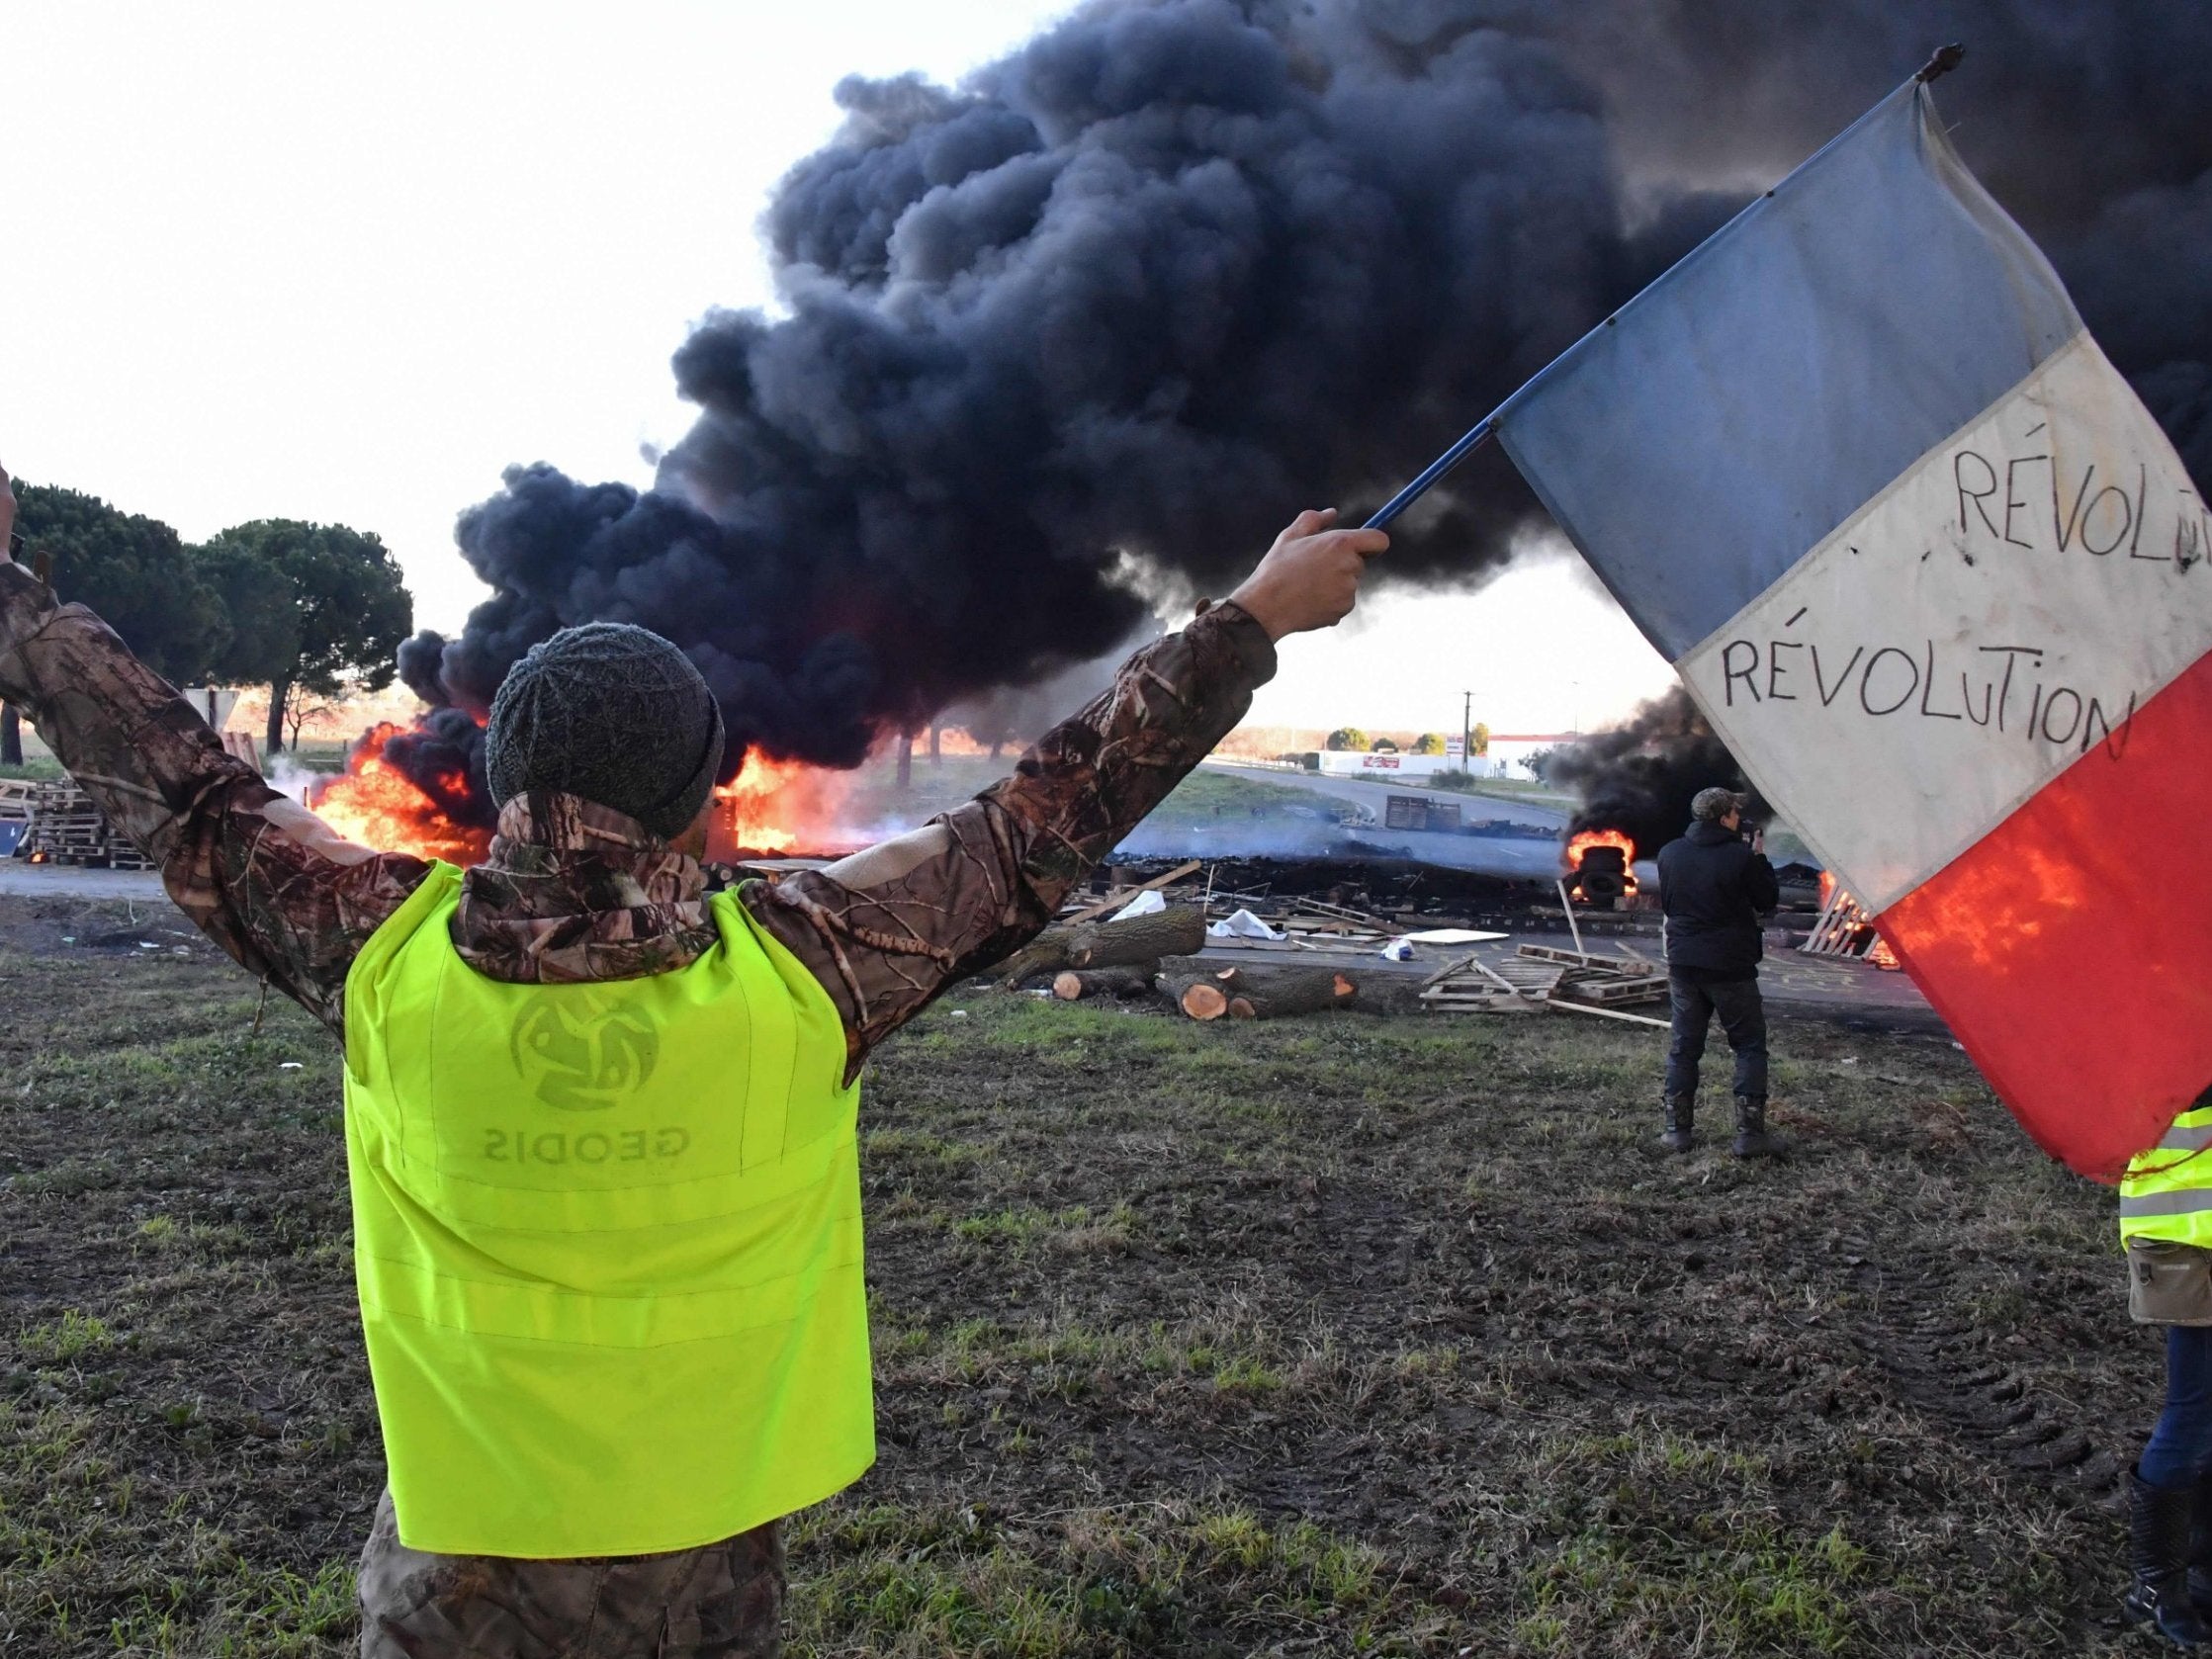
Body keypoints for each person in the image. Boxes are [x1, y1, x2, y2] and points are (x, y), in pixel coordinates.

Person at [0, 459, 1386, 1658]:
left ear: (499, 786)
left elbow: (185, 787)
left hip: (458, 1573)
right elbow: (1041, 816)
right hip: (710, 1578)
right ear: (703, 803)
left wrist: (24, 611)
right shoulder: (805, 971)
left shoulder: (380, 958)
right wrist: (1249, 619)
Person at [2119, 1093, 2212, 1649]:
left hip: (2192, 1239)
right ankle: (2154, 1590)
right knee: (2192, 1417)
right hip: (2193, 1248)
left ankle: (2201, 1575)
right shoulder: (2181, 1035)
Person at [1653, 785, 1780, 1157]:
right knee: (1749, 1046)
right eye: (1735, 814)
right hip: (1730, 966)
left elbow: (1673, 902)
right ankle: (1749, 1136)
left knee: (1684, 1048)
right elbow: (1767, 901)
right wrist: (1759, 858)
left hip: (1683, 964)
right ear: (1725, 817)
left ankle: (1677, 1131)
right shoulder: (1740, 857)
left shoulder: (1669, 852)